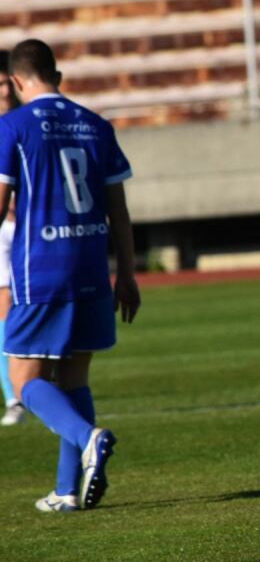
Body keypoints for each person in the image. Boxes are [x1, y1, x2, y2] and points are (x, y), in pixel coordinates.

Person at [0, 39, 140, 512]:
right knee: (74, 377)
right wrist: (127, 274)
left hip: (41, 270)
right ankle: (66, 491)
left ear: (17, 80)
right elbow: (119, 211)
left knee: (24, 381)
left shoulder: (12, 126)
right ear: (56, 76)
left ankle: (88, 437)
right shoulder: (96, 125)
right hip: (92, 266)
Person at [0, 51, 24, 427]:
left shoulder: (26, 121)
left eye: (6, 83)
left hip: (32, 223)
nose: (3, 90)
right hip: (3, 225)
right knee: (3, 303)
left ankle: (37, 383)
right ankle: (14, 397)